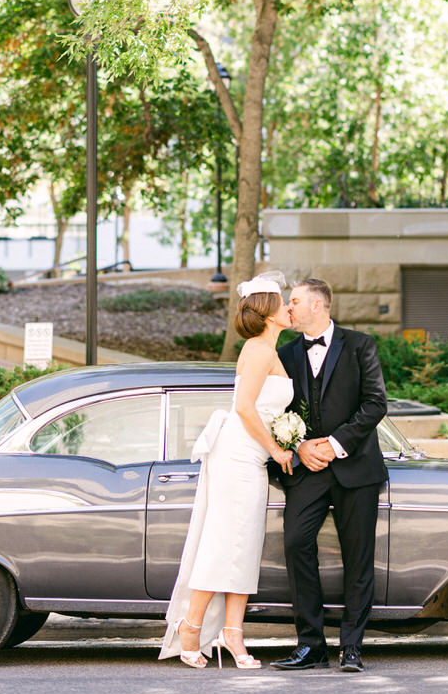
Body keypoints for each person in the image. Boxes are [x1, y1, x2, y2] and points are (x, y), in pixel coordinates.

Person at [159, 272, 297, 669]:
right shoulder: (257, 350)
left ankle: (232, 633)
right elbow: (245, 407)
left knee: (245, 546)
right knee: (223, 545)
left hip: (250, 459)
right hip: (237, 455)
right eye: (283, 301)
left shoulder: (270, 350)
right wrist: (276, 447)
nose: (289, 306)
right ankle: (192, 625)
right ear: (270, 312)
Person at [272, 278, 388, 673]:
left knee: (359, 558)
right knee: (295, 543)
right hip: (308, 470)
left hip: (356, 466)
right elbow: (274, 413)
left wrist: (335, 444)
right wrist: (302, 446)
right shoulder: (284, 354)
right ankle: (310, 644)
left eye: (295, 301)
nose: (289, 308)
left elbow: (375, 404)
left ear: (318, 306)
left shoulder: (360, 345)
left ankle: (352, 646)